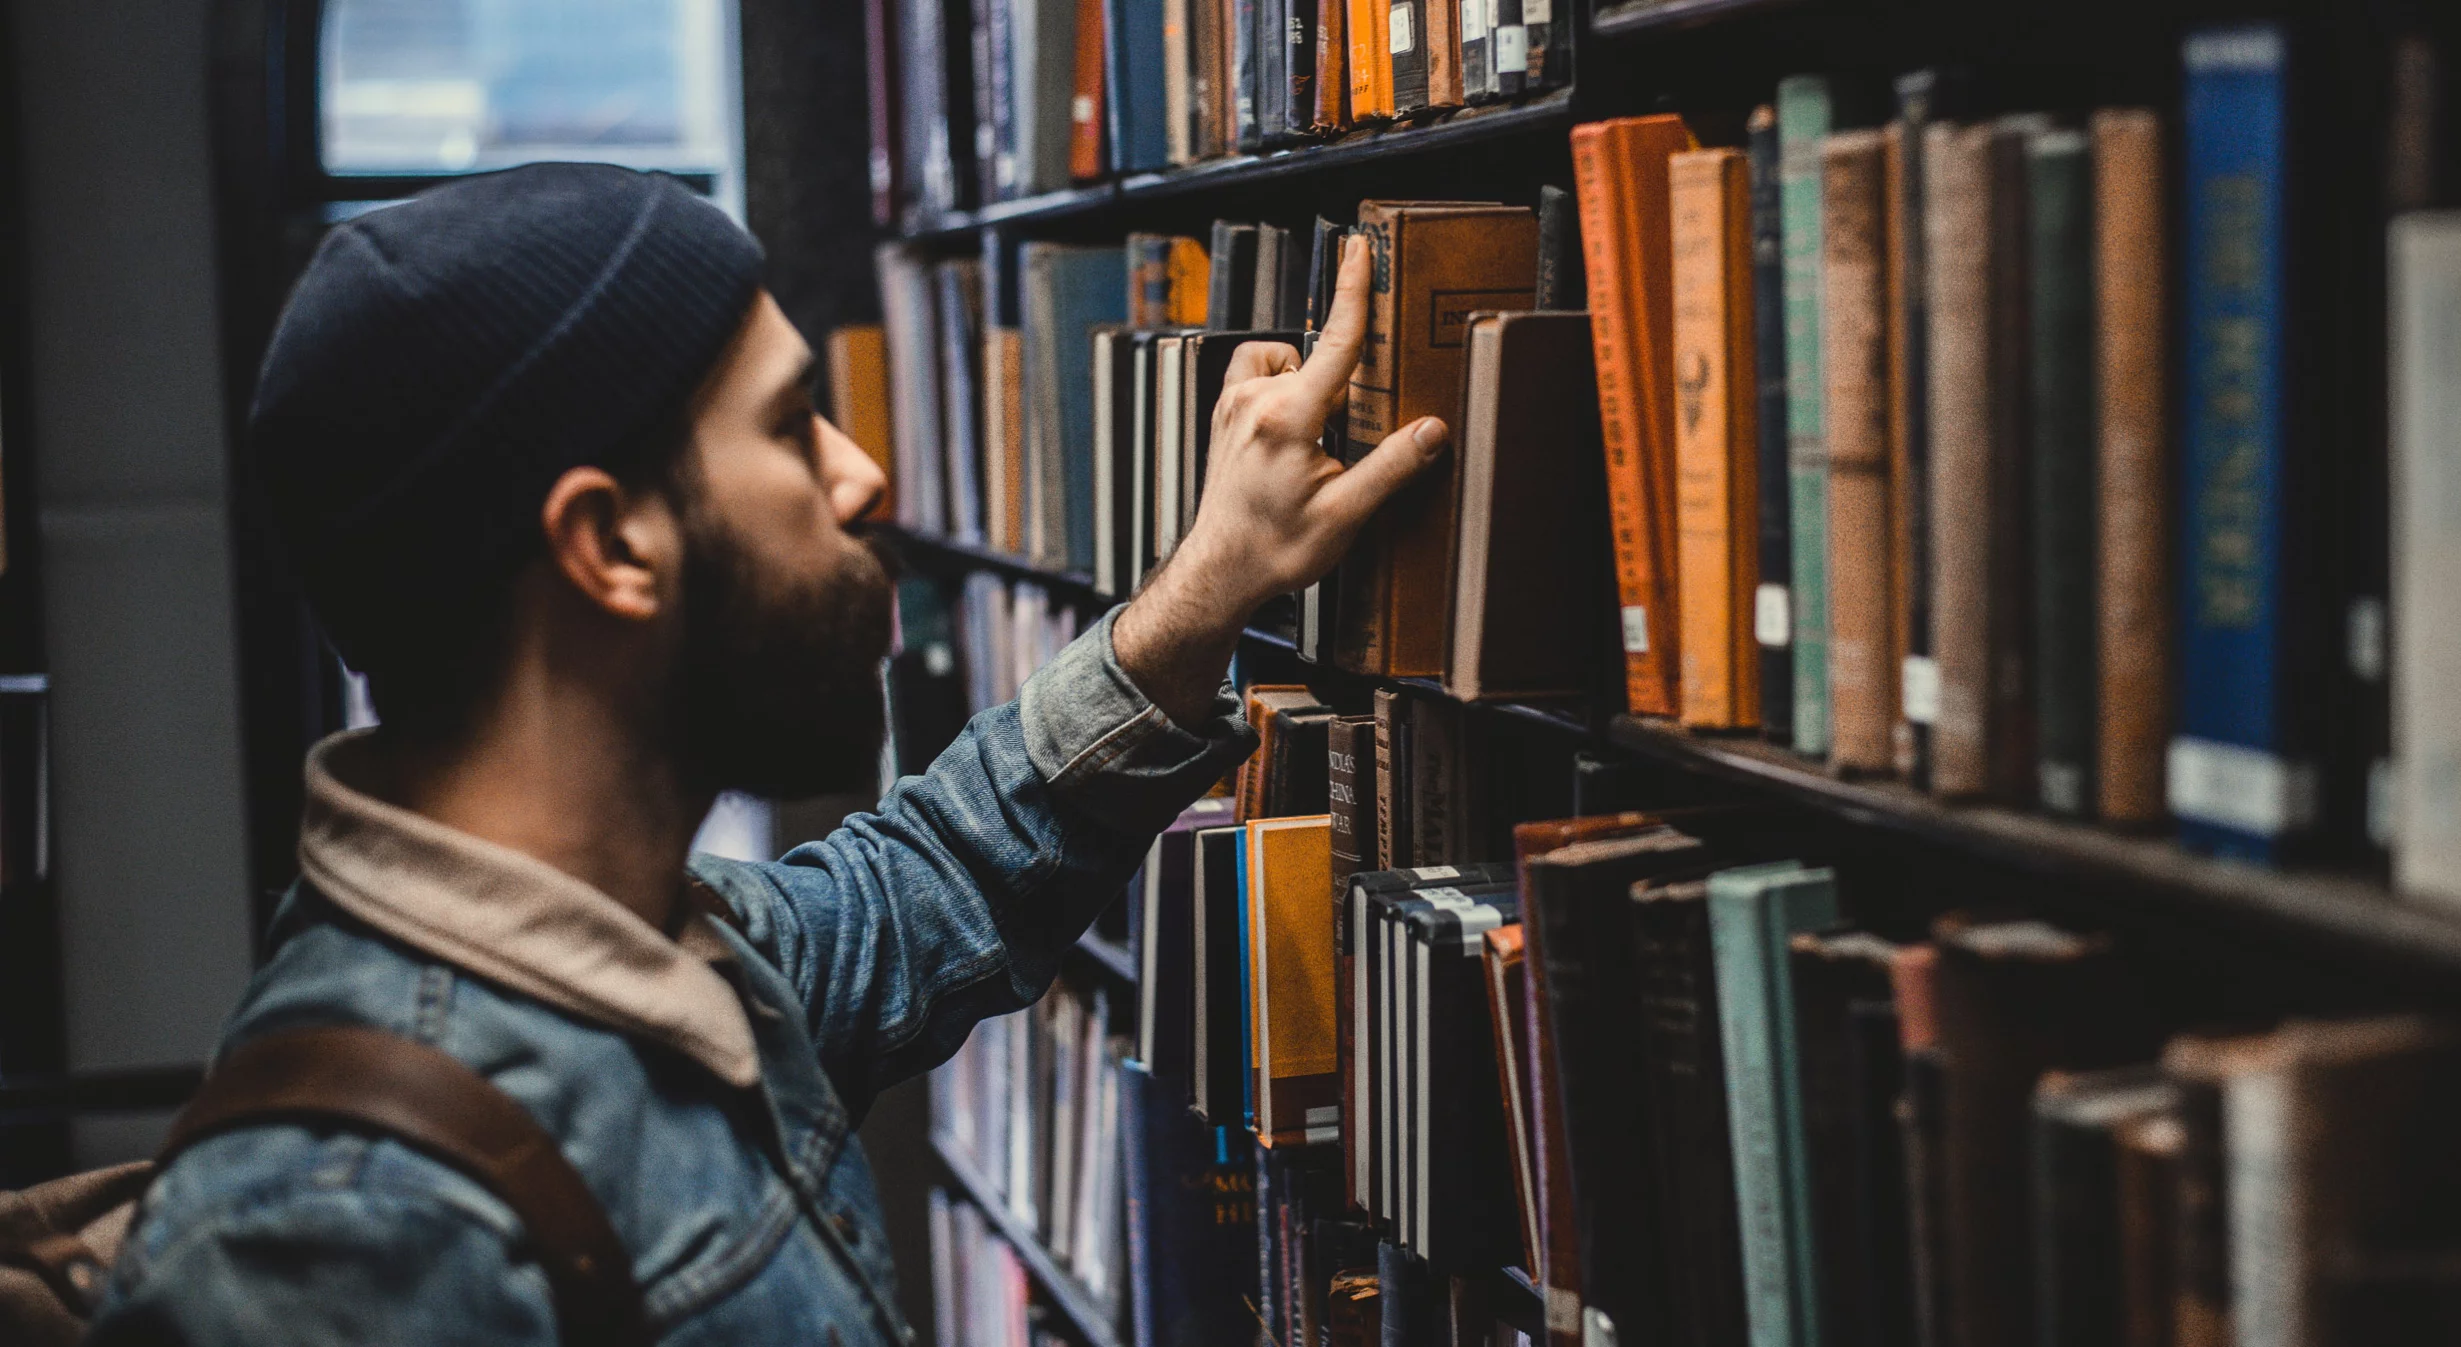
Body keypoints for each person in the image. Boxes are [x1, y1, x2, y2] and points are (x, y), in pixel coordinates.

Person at [86, 163, 1444, 1344]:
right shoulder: (339, 1237)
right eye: (793, 426)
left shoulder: (674, 949)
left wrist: (1208, 587)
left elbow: (946, 871)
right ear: (610, 546)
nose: (859, 477)